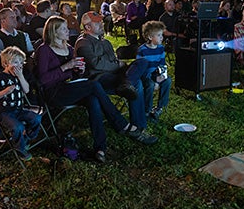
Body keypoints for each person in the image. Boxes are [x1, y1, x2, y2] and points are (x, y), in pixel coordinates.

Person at [35, 16, 155, 163]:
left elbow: (75, 73)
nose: (69, 31)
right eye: (64, 29)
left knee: (94, 101)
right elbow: (42, 80)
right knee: (94, 86)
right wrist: (66, 67)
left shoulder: (69, 48)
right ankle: (120, 123)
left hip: (71, 86)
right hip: (54, 92)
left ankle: (100, 148)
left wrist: (79, 69)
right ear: (54, 32)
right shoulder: (44, 50)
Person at [75, 11, 156, 143]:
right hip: (99, 79)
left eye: (101, 21)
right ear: (88, 27)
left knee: (142, 62)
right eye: (97, 22)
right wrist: (119, 65)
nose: (102, 24)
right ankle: (139, 127)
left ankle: (127, 83)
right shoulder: (83, 43)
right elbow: (96, 64)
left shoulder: (105, 42)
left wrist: (122, 66)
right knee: (136, 84)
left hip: (116, 75)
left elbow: (111, 60)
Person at [0, 46, 41, 161]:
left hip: (19, 109)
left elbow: (26, 90)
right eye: (15, 62)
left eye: (21, 63)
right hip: (4, 112)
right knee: (18, 127)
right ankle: (20, 149)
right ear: (6, 63)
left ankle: (26, 138)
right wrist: (5, 91)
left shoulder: (19, 76)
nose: (19, 65)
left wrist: (21, 76)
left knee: (36, 118)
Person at [136, 21, 171, 121]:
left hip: (157, 73)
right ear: (150, 37)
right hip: (146, 75)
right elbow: (140, 68)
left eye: (162, 35)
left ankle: (160, 107)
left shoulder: (160, 48)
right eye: (159, 35)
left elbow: (162, 64)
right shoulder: (142, 50)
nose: (162, 37)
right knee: (150, 85)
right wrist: (155, 80)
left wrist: (162, 75)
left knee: (167, 81)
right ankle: (147, 109)